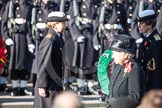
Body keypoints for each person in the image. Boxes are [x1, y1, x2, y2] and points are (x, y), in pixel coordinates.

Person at [34, 11, 68, 108]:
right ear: (54, 25)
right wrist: (42, 86)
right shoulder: (49, 40)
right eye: (63, 23)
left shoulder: (57, 38)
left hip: (55, 84)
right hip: (49, 86)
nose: (65, 25)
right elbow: (43, 64)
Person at [1, 0, 34, 96]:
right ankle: (15, 87)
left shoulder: (29, 5)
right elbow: (4, 22)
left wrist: (30, 41)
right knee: (13, 63)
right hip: (13, 38)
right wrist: (6, 37)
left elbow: (30, 24)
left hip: (25, 38)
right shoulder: (11, 5)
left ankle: (23, 87)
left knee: (24, 63)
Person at [105, 34, 145, 108]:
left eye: (114, 53)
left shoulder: (134, 69)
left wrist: (115, 102)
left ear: (125, 54)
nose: (113, 56)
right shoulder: (119, 66)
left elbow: (135, 97)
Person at [137, 9, 162, 91]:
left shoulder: (156, 41)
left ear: (149, 24)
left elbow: (159, 68)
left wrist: (156, 89)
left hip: (153, 84)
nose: (139, 26)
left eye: (141, 23)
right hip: (146, 83)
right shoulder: (146, 39)